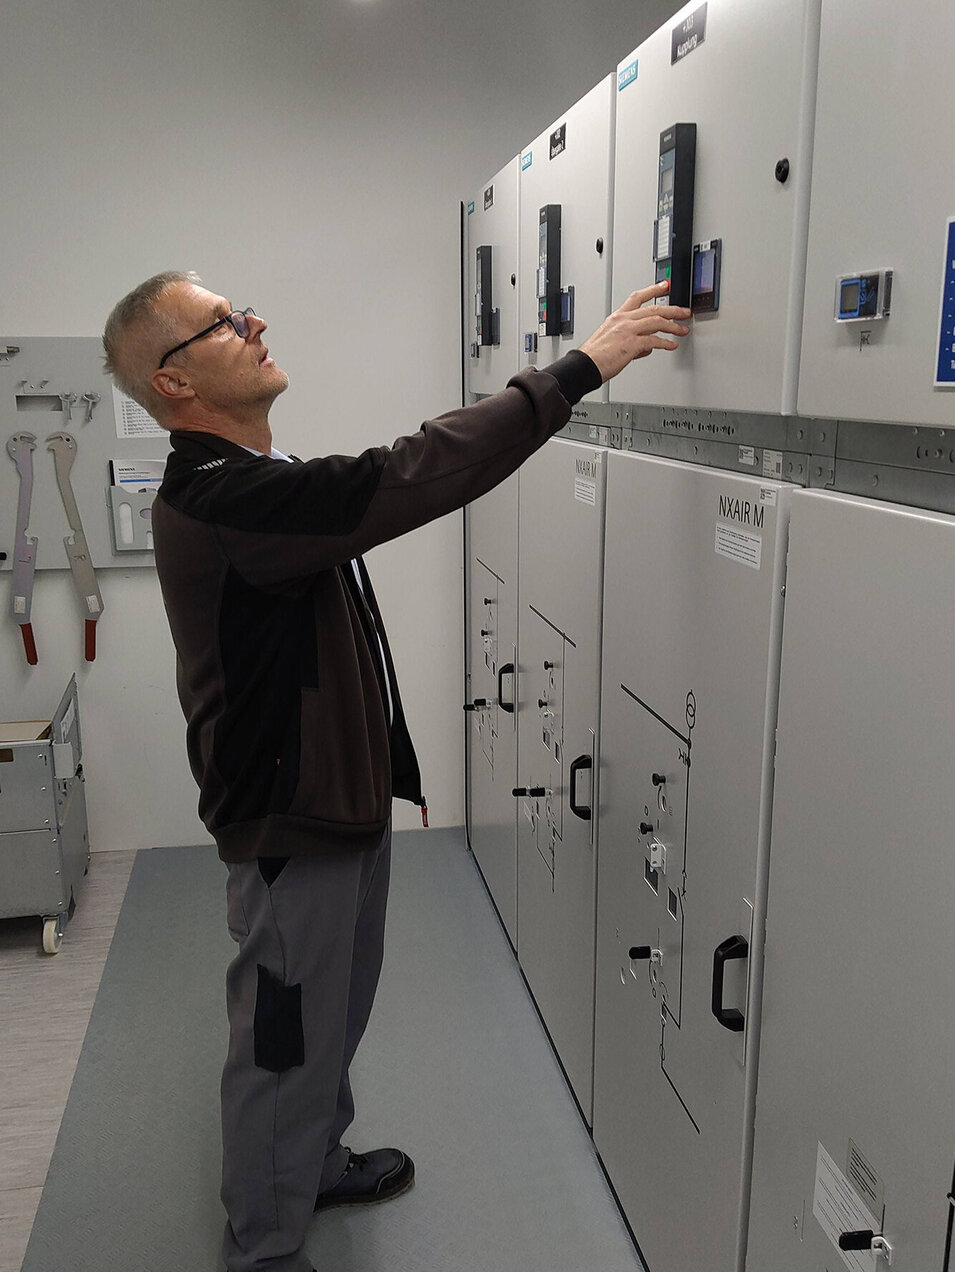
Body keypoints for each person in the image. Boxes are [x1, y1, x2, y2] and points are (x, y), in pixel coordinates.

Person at [102, 270, 690, 1272]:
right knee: (281, 1039)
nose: (256, 323)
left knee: (331, 1008)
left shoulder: (248, 480)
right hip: (290, 820)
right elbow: (411, 474)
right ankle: (265, 1245)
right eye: (224, 322)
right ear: (174, 383)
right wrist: (576, 371)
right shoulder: (228, 499)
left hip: (331, 802)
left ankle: (314, 1161)